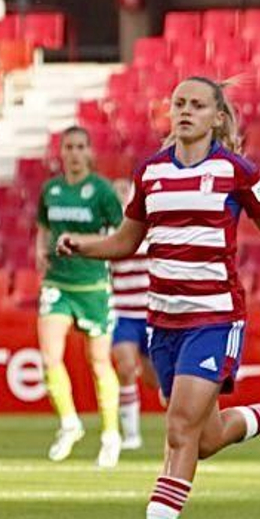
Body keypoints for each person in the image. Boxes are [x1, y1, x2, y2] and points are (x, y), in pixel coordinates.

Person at [57, 76, 260, 519]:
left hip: (216, 318)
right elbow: (126, 241)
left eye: (197, 105)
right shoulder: (150, 174)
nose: (185, 111)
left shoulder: (236, 172)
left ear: (217, 117)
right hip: (164, 323)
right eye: (178, 103)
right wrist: (83, 245)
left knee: (179, 428)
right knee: (204, 438)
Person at [35, 126, 124, 467]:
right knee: (49, 355)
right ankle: (70, 423)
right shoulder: (52, 189)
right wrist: (40, 250)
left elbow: (121, 232)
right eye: (68, 146)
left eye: (80, 146)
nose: (74, 152)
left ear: (89, 152)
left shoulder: (101, 191)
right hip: (58, 282)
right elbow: (43, 226)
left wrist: (91, 247)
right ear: (61, 151)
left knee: (99, 361)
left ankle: (110, 434)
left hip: (92, 286)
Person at [108, 177, 158, 450]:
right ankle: (131, 435)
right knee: (126, 368)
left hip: (151, 314)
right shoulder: (109, 234)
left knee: (158, 380)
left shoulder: (150, 229)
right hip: (123, 313)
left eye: (125, 191)